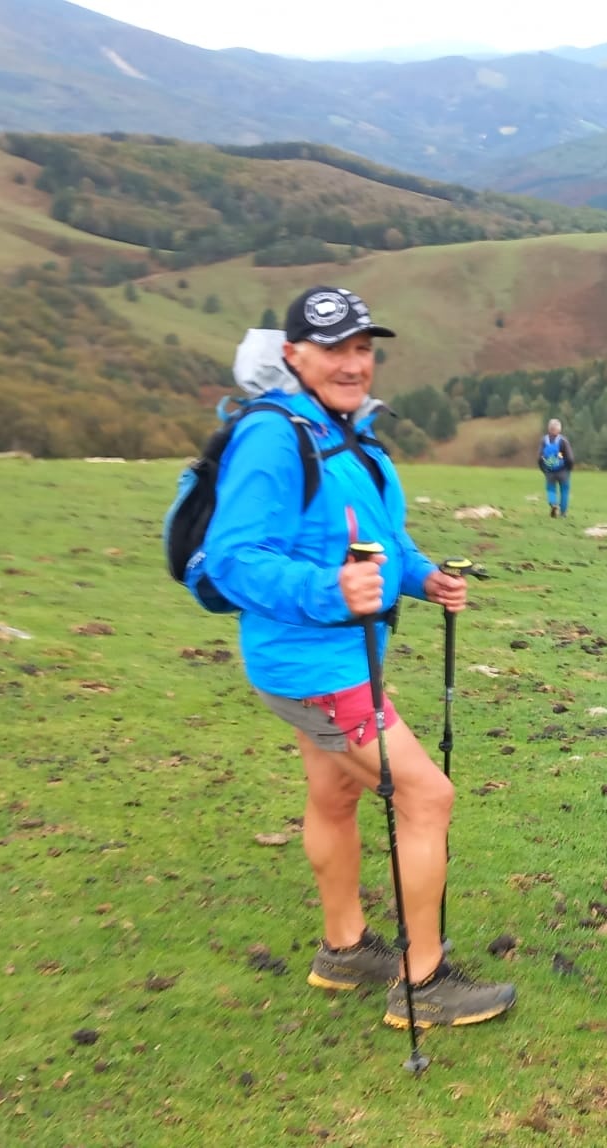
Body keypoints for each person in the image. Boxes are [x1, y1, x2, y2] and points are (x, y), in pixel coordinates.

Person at [202, 286, 515, 1030]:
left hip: (337, 656)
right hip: (315, 665)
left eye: (362, 348)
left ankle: (344, 949)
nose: (352, 364)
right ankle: (422, 981)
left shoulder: (350, 436)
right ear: (293, 355)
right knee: (427, 798)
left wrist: (424, 576)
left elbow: (380, 540)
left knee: (335, 795)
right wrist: (329, 589)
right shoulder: (273, 436)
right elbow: (232, 559)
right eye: (333, 349)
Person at [539, 419, 574, 517]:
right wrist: (569, 468)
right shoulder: (563, 441)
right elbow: (570, 458)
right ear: (559, 429)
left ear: (549, 429)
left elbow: (539, 458)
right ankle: (563, 513)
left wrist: (544, 469)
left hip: (549, 470)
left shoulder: (544, 440)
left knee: (551, 489)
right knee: (564, 491)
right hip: (563, 470)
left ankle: (553, 503)